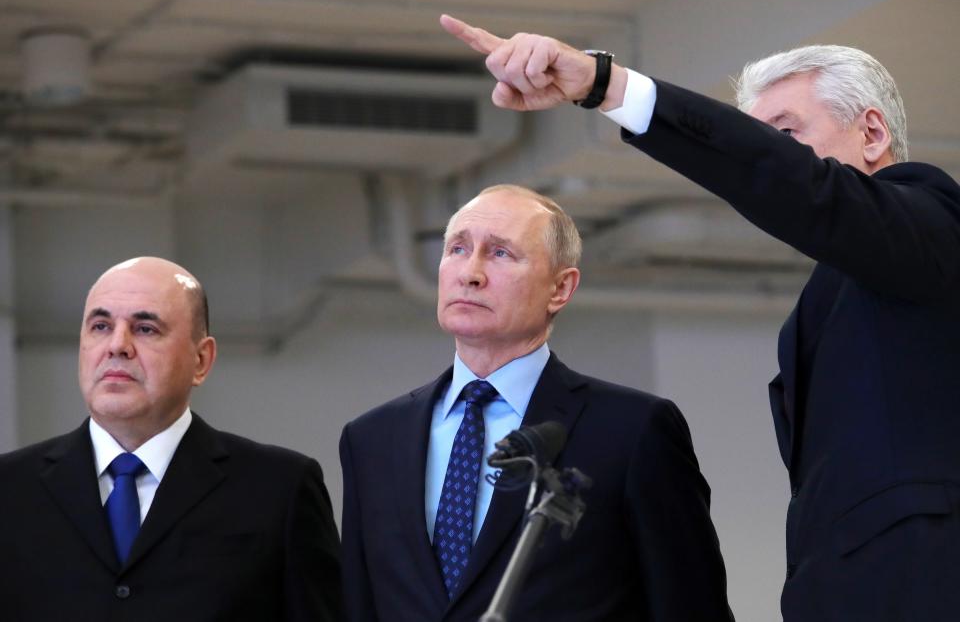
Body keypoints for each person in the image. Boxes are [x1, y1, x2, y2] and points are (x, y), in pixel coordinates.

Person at [440, 15, 960, 622]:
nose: (766, 160)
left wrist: (605, 84)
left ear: (871, 133)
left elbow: (800, 186)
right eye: (758, 139)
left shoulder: (932, 221)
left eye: (784, 134)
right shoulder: (835, 294)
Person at [339, 185, 733, 621]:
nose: (470, 272)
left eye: (500, 254)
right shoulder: (371, 439)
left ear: (560, 288)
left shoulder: (633, 430)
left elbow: (693, 608)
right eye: (457, 249)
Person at [0, 257, 342, 621]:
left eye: (145, 328)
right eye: (100, 326)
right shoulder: (9, 488)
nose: (118, 345)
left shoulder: (280, 489)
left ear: (201, 360)